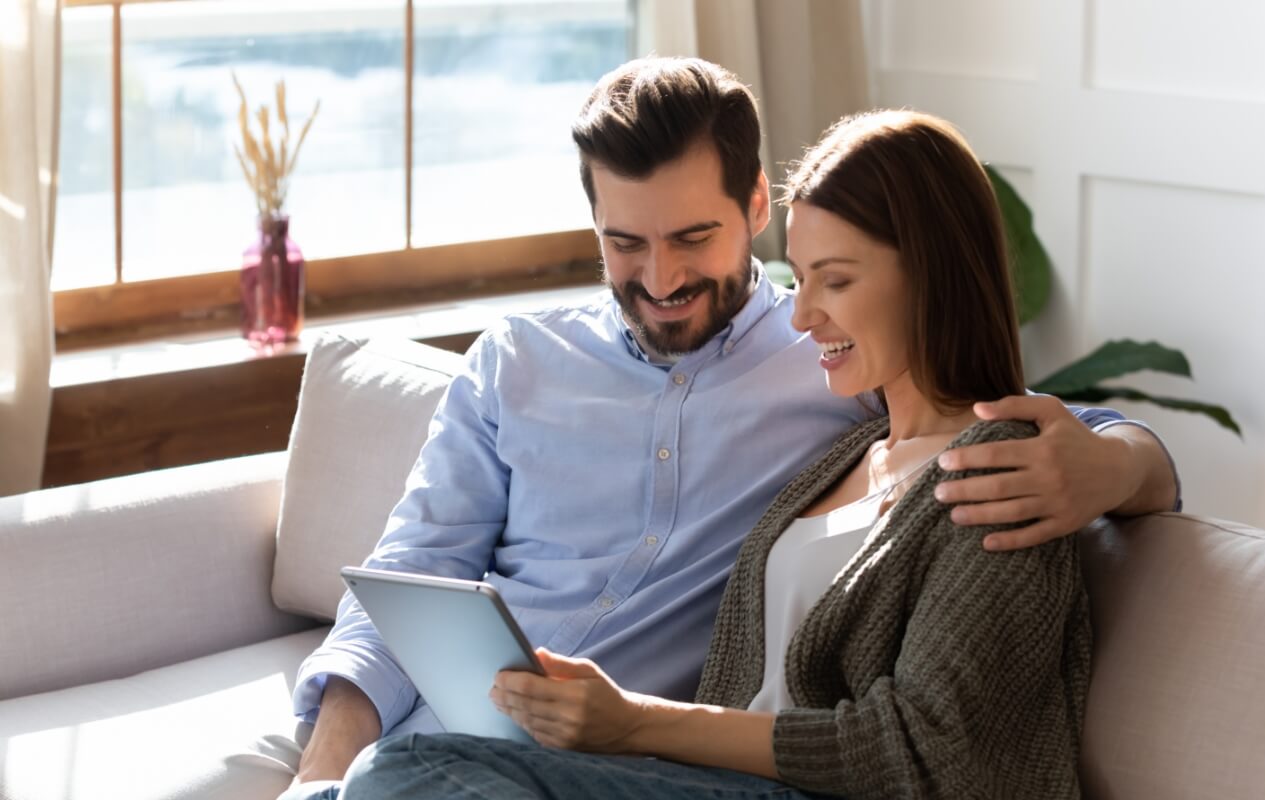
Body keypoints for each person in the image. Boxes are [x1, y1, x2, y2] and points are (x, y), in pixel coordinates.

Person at [284, 58, 1178, 798]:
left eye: (691, 237)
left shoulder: (838, 368)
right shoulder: (516, 360)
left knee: (405, 777)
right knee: (391, 772)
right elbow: (411, 573)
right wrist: (317, 772)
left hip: (629, 763)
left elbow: (1016, 426)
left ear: (755, 205)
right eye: (625, 243)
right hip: (466, 750)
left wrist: (1122, 467)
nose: (660, 279)